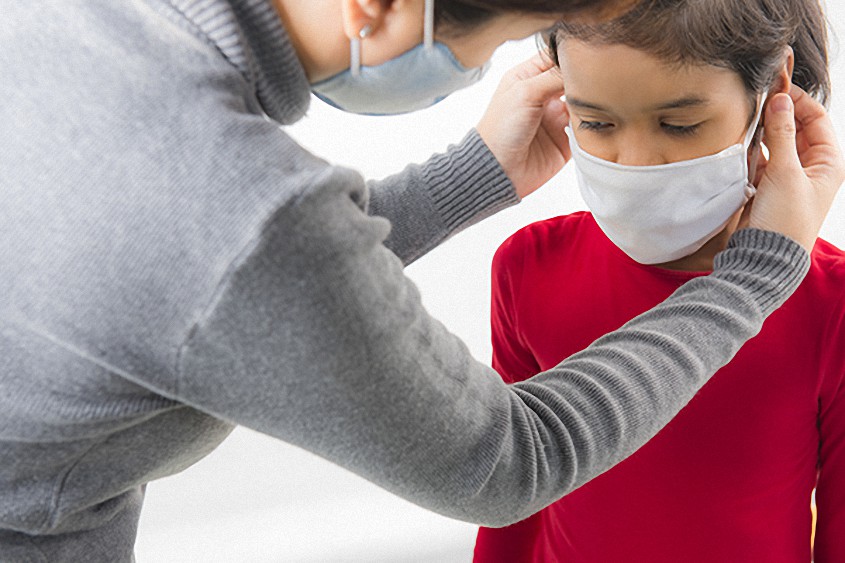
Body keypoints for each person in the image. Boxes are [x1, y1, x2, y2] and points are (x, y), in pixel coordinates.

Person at [0, 0, 841, 560]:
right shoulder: (529, 266)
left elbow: (227, 273)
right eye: (472, 49)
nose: (468, 76)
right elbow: (510, 465)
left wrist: (467, 176)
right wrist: (755, 275)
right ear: (376, 5)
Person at [474, 0, 843, 561]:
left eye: (679, 124)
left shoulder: (831, 301)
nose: (638, 162)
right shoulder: (528, 266)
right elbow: (508, 497)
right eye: (596, 122)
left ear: (774, 93)